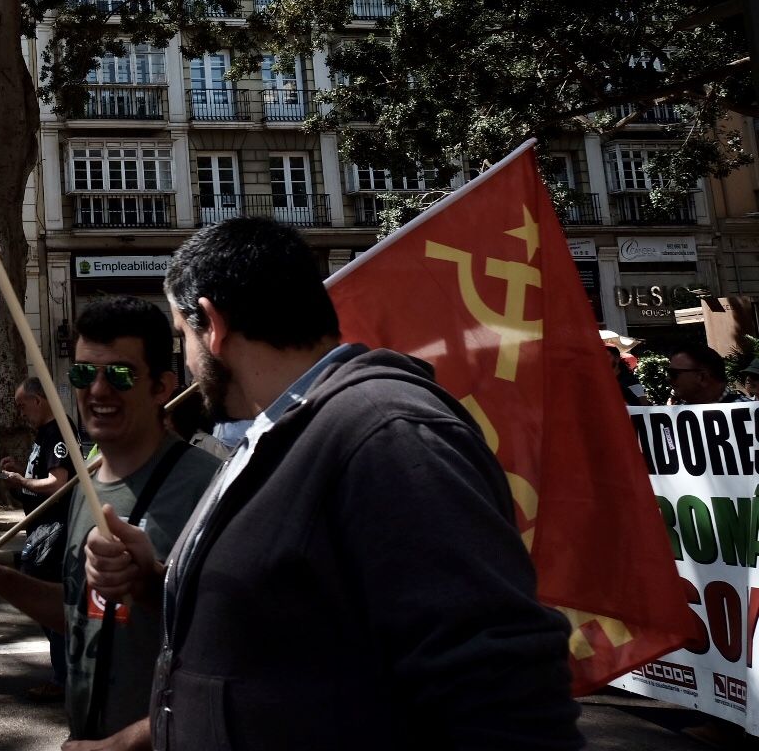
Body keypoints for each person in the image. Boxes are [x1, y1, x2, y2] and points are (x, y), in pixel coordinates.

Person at [130, 216, 580, 750]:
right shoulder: (284, 430)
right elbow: (291, 626)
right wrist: (158, 584)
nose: (186, 361)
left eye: (183, 336)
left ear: (212, 323)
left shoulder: (388, 433)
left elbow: (501, 693)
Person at [0, 298, 219, 750]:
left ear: (162, 387)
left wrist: (123, 744)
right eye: (84, 374)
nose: (98, 390)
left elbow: (236, 662)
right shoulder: (85, 489)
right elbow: (84, 616)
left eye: (121, 375)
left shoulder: (209, 489)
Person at [4, 375, 74, 703]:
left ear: (38, 400)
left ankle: (64, 677)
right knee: (43, 603)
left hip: (53, 531)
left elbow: (58, 483)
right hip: (40, 528)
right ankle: (66, 672)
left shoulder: (58, 431)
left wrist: (24, 481)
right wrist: (20, 473)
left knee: (47, 602)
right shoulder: (43, 433)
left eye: (22, 405)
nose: (20, 412)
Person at [668, 342, 741, 405]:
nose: (669, 378)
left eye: (674, 373)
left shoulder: (749, 414)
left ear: (702, 377)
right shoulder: (676, 417)